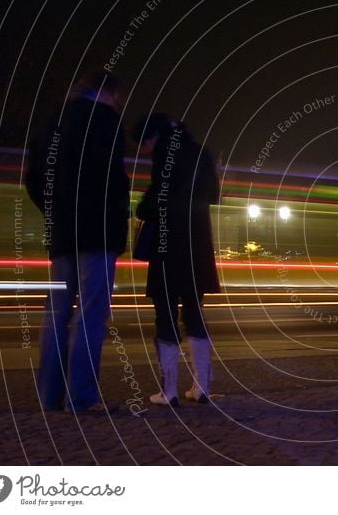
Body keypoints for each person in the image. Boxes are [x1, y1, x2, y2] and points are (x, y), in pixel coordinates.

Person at [26, 70, 129, 413]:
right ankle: (80, 398)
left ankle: (48, 395)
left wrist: (56, 210)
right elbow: (113, 178)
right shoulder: (106, 121)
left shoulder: (50, 122)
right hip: (97, 233)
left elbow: (33, 179)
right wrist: (117, 216)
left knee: (55, 314)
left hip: (62, 234)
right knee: (91, 315)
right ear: (108, 94)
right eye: (118, 98)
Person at [133, 114, 220, 406]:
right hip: (197, 248)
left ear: (154, 136)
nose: (142, 150)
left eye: (143, 143)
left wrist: (144, 205)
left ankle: (168, 391)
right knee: (195, 312)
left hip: (168, 247)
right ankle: (202, 387)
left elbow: (153, 205)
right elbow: (213, 195)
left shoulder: (165, 157)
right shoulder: (201, 152)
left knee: (165, 315)